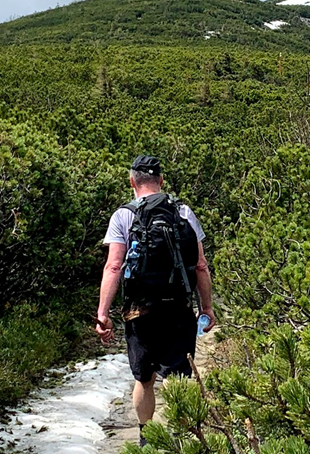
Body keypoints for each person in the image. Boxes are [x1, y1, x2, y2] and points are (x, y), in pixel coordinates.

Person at [95, 155, 215, 445]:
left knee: (144, 379)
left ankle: (146, 440)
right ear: (161, 181)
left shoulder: (123, 215)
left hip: (140, 311)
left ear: (132, 181)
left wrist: (103, 313)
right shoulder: (184, 212)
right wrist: (207, 308)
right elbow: (200, 265)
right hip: (179, 309)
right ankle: (179, 437)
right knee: (177, 378)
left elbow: (113, 266)